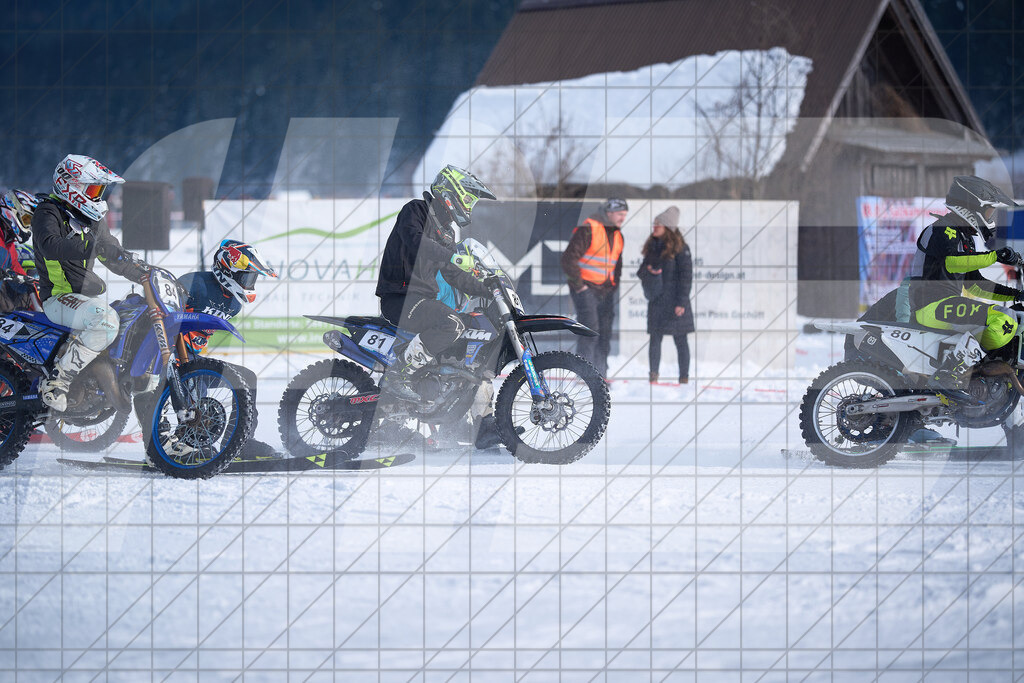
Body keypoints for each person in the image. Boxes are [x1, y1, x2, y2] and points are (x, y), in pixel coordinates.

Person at [375, 164, 502, 449]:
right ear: (450, 192)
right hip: (400, 298)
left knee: (468, 334)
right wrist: (453, 256)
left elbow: (453, 274)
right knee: (452, 324)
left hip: (423, 301)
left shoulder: (447, 232)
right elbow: (414, 241)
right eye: (468, 199)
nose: (469, 205)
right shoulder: (416, 210)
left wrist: (490, 288)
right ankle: (399, 375)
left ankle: (460, 420)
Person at [33, 154, 149, 412]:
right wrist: (92, 247)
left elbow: (112, 254)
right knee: (106, 321)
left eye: (99, 191)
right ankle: (57, 382)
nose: (97, 196)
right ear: (71, 186)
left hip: (84, 299)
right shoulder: (48, 212)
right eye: (92, 189)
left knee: (129, 320)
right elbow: (50, 245)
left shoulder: (91, 218)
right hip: (58, 297)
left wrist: (143, 274)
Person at [907, 175, 1024, 404]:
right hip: (931, 306)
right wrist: (994, 256)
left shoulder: (964, 237)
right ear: (972, 207)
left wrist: (1016, 294)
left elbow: (975, 284)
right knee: (1003, 320)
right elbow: (952, 263)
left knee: (1012, 318)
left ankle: (981, 376)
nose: (991, 217)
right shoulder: (942, 229)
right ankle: (949, 374)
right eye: (989, 211)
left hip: (945, 305)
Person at [178, 239, 279, 458]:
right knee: (197, 386)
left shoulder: (234, 304)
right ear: (228, 270)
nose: (250, 284)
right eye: (247, 277)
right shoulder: (193, 283)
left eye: (252, 279)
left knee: (246, 378)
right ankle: (186, 443)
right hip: (168, 356)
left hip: (193, 359)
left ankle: (240, 441)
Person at [561, 198, 627, 378]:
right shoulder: (589, 228)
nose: (623, 218)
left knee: (605, 333)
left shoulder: (618, 236)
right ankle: (584, 375)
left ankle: (600, 376)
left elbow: (617, 267)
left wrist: (612, 286)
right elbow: (568, 259)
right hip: (586, 288)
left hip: (605, 291)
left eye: (624, 214)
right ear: (609, 213)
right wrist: (579, 287)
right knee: (589, 331)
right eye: (620, 214)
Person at [637, 206, 693, 384]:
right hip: (657, 300)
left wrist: (681, 302)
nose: (654, 227)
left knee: (681, 339)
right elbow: (641, 272)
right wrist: (650, 272)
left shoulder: (681, 249)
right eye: (654, 223)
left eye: (658, 224)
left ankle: (684, 378)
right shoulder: (653, 247)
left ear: (668, 227)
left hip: (676, 301)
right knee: (655, 338)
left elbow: (686, 277)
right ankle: (653, 376)